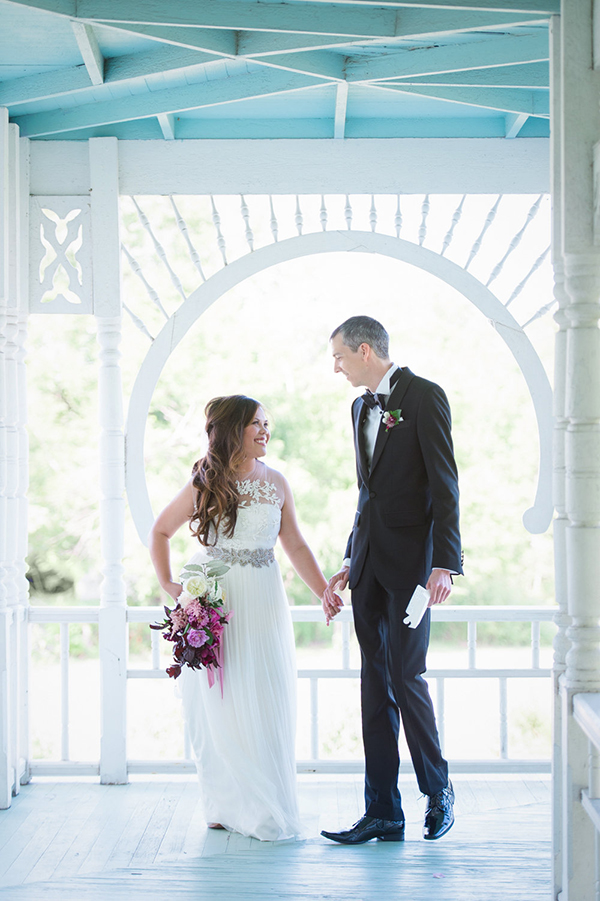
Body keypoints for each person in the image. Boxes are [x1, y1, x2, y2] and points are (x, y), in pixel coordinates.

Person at [149, 395, 334, 842]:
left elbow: (296, 546)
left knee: (264, 695)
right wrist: (171, 585)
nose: (266, 431)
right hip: (218, 599)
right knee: (217, 704)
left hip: (265, 601)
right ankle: (222, 804)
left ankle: (265, 803)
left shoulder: (278, 483)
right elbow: (161, 530)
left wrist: (324, 589)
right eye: (257, 423)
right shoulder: (205, 481)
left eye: (267, 423)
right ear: (234, 430)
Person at [321, 315, 463, 845]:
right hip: (368, 567)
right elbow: (368, 495)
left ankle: (439, 790)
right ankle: (382, 810)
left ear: (363, 350)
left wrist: (445, 563)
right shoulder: (359, 408)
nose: (335, 367)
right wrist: (347, 560)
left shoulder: (425, 396)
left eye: (338, 356)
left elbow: (446, 485)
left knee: (408, 676)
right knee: (373, 686)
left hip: (414, 570)